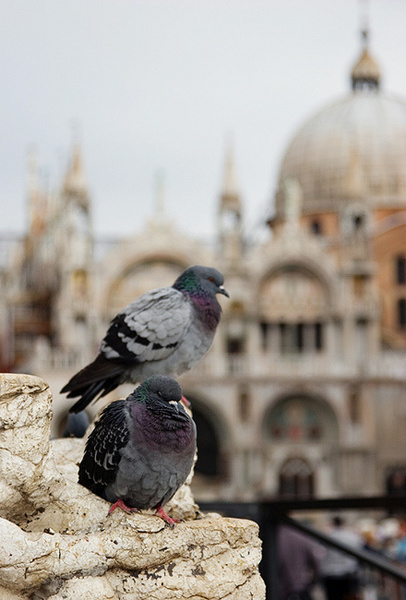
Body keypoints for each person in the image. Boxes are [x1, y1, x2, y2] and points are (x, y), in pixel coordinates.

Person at [278, 524, 325, 600]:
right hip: (300, 588)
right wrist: (314, 581)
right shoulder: (301, 534)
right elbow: (317, 561)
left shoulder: (272, 536)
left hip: (279, 589)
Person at [320, 516, 363, 600]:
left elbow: (321, 555)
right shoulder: (352, 537)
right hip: (348, 574)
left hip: (331, 575)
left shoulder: (327, 537)